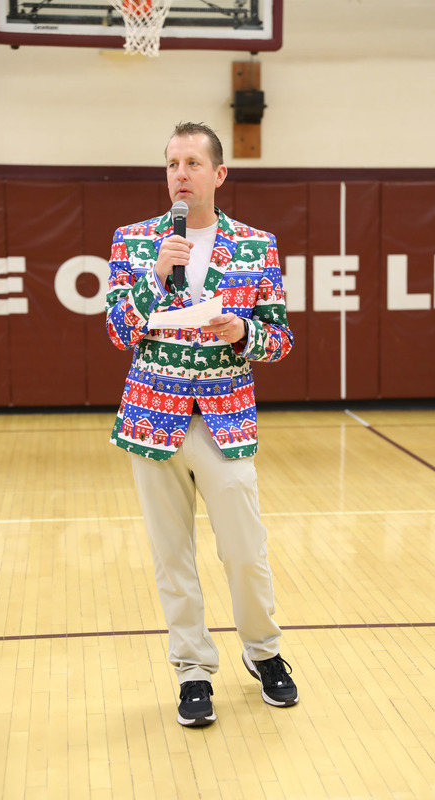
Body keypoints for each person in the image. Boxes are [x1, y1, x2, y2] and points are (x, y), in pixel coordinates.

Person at [105, 122, 298, 727]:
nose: (180, 174)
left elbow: (281, 339)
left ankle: (264, 652)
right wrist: (154, 276)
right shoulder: (133, 241)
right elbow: (117, 330)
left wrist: (246, 334)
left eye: (192, 162)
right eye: (171, 163)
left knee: (244, 548)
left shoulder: (257, 245)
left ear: (218, 174)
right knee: (173, 556)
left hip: (224, 418)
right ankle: (192, 669)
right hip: (151, 419)